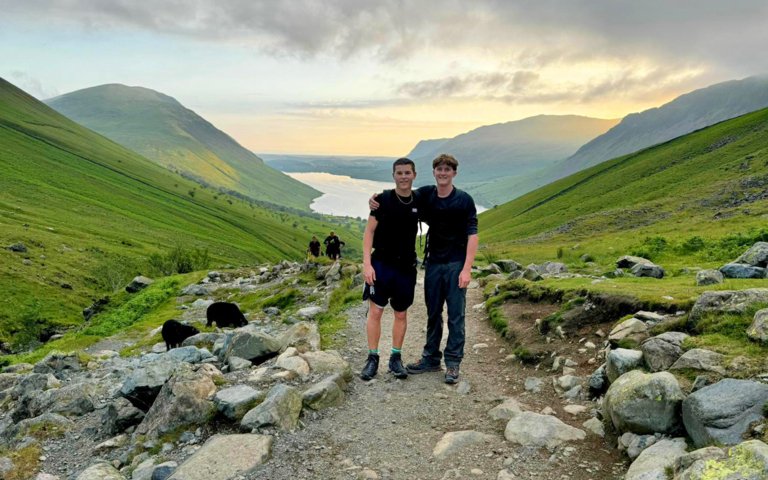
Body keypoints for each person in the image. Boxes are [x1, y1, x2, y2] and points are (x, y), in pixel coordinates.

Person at [370, 153, 478, 384]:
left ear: (454, 173)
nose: (443, 173)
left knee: (456, 316)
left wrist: (467, 268)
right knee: (433, 312)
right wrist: (375, 200)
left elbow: (473, 235)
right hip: (434, 263)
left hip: (456, 263)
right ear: (434, 172)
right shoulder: (427, 194)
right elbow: (402, 196)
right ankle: (430, 358)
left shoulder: (464, 200)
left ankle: (452, 364)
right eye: (439, 169)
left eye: (447, 170)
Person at [359, 158, 421, 381]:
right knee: (375, 311)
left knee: (401, 312)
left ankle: (396, 358)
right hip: (381, 264)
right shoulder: (382, 200)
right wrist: (367, 264)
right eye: (399, 173)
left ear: (414, 175)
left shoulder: (419, 200)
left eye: (407, 173)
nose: (403, 176)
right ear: (393, 175)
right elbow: (369, 233)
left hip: (406, 266)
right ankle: (372, 357)